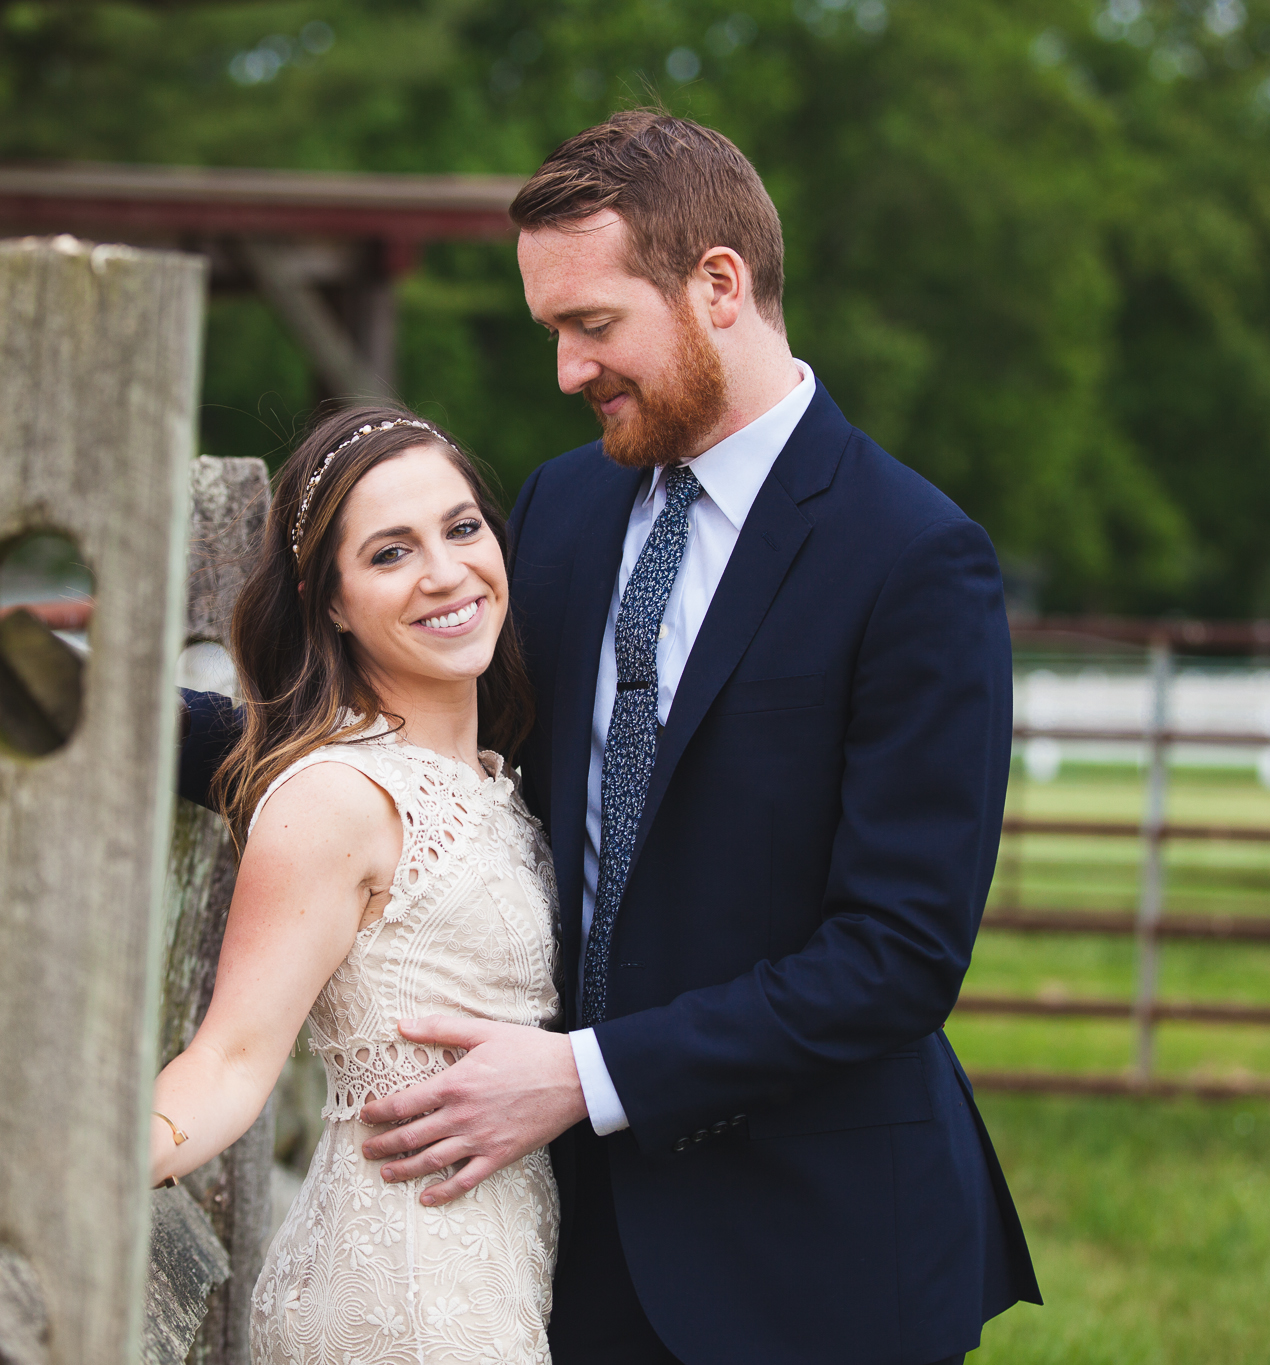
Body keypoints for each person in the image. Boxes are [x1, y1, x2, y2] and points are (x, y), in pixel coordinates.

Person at [181, 111, 1041, 1365]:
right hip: (571, 1251)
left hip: (817, 1254)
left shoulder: (912, 560)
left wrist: (581, 1076)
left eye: (591, 327)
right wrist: (139, 730)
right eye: (552, 334)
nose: (567, 372)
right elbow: (434, 771)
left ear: (718, 288)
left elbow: (897, 955)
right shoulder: (563, 506)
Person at [150, 405, 563, 1364]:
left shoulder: (489, 779)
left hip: (496, 1270)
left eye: (463, 528)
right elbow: (232, 1059)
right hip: (403, 1296)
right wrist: (98, 1169)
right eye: (390, 553)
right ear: (329, 600)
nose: (447, 572)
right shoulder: (340, 796)